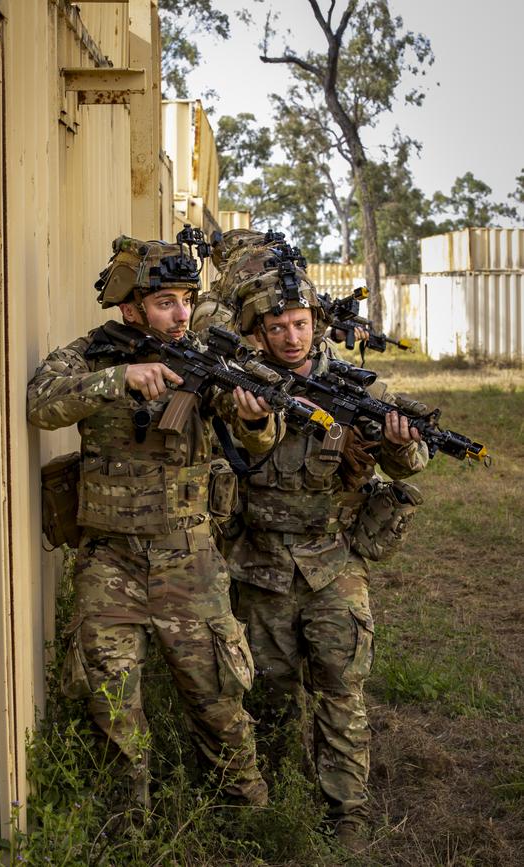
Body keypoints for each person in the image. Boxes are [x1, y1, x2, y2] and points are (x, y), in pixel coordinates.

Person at [27, 231, 279, 811]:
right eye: (166, 302)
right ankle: (128, 826)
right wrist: (120, 379)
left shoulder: (207, 359)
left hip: (187, 557)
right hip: (107, 562)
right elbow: (42, 402)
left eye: (186, 300)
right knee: (111, 708)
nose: (180, 313)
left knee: (219, 700)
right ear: (130, 306)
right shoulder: (92, 353)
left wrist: (256, 420)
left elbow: (258, 434)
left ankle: (248, 817)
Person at [222, 245, 429, 851]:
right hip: (260, 563)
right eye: (279, 327)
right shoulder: (243, 383)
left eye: (301, 325)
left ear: (317, 324)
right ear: (260, 331)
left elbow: (412, 460)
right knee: (269, 691)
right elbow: (239, 452)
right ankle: (280, 799)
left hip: (334, 562)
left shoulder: (358, 384)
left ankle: (348, 813)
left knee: (341, 689)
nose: (291, 336)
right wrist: (254, 420)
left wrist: (395, 443)